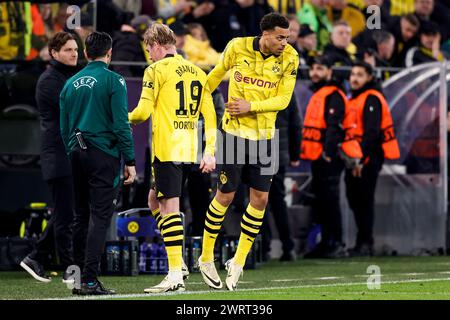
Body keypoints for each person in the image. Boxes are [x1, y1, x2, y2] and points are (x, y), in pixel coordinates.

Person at [197, 12, 299, 291]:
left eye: (286, 37)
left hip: (266, 138)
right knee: (226, 196)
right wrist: (199, 102)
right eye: (279, 37)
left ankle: (238, 262)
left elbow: (284, 99)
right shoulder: (236, 46)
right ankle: (206, 257)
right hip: (234, 134)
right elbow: (214, 77)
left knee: (261, 200)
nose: (284, 42)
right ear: (264, 34)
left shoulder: (290, 57)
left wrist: (250, 107)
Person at [128, 23, 217, 293]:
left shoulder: (155, 70)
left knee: (169, 207)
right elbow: (211, 117)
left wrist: (120, 119)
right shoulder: (198, 72)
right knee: (154, 199)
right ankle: (177, 262)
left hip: (168, 148)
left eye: (148, 50)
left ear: (156, 44)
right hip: (191, 147)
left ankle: (175, 273)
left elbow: (142, 112)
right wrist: (210, 150)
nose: (149, 55)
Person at [60, 31, 136, 295]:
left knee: (81, 216)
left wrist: (73, 150)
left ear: (85, 53)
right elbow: (121, 124)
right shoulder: (115, 80)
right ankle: (90, 280)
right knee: (100, 217)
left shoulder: (70, 84)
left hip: (76, 152)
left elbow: (64, 127)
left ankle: (80, 278)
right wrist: (131, 159)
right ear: (110, 52)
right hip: (103, 154)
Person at [20, 32, 79, 283]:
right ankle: (69, 270)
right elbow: (73, 110)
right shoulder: (48, 81)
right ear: (54, 53)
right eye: (67, 50)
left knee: (65, 214)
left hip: (69, 155)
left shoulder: (69, 76)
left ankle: (36, 257)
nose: (74, 53)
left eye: (76, 49)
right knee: (65, 216)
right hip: (57, 156)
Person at [301, 55, 362, 259]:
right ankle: (326, 243)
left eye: (319, 68)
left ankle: (335, 243)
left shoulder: (333, 94)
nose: (314, 73)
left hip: (328, 157)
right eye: (313, 69)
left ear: (329, 71)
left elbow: (334, 126)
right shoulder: (321, 93)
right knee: (322, 201)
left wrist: (328, 153)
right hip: (317, 157)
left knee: (330, 201)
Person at [342, 61, 400, 256]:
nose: (354, 78)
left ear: (368, 77)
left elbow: (372, 134)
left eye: (359, 74)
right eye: (352, 74)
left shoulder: (371, 98)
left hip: (367, 157)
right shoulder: (355, 98)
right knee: (355, 199)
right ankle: (363, 240)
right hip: (355, 157)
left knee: (364, 200)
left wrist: (360, 160)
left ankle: (366, 242)